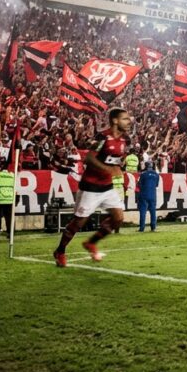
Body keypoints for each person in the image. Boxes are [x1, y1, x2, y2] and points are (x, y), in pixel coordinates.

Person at [53, 108, 132, 267]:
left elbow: (115, 160)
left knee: (118, 218)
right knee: (78, 223)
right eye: (125, 119)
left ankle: (91, 243)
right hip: (90, 186)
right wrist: (108, 169)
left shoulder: (125, 140)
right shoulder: (103, 137)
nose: (128, 121)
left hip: (107, 187)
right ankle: (60, 251)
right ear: (115, 121)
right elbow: (89, 158)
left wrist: (119, 166)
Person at [137, 161, 159, 232]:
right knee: (153, 211)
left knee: (143, 211)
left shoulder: (143, 174)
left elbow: (139, 185)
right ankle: (153, 227)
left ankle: (142, 228)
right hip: (153, 194)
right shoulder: (156, 174)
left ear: (145, 166)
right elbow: (156, 185)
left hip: (144, 194)